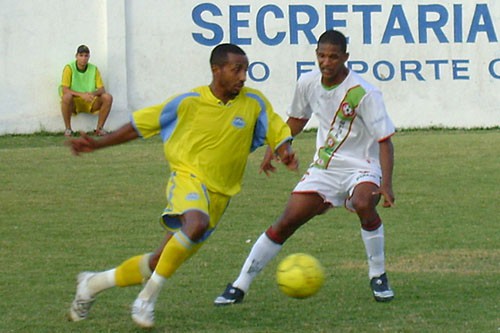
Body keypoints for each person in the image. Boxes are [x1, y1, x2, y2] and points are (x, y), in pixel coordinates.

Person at [66, 43, 298, 328]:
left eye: (245, 70)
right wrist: (98, 144)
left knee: (158, 261)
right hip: (188, 180)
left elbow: (276, 128)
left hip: (221, 196)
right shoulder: (188, 102)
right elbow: (139, 126)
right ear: (216, 70)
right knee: (195, 222)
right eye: (236, 69)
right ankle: (146, 299)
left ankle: (92, 284)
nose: (242, 76)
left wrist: (284, 149)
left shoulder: (254, 102)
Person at [214, 30, 396, 306]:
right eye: (322, 56)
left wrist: (387, 184)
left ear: (345, 57)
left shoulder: (365, 93)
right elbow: (297, 119)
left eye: (333, 56)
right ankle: (240, 285)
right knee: (286, 221)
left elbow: (385, 140)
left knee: (363, 203)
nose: (327, 62)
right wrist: (275, 148)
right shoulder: (308, 83)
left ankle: (378, 275)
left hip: (363, 166)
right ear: (316, 56)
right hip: (325, 166)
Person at [60, 45, 113, 137]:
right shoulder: (69, 68)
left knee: (107, 97)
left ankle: (99, 129)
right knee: (66, 97)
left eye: (86, 56)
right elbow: (64, 89)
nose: (83, 58)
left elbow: (101, 89)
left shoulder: (94, 69)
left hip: (90, 101)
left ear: (89, 57)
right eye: (81, 55)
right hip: (74, 102)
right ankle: (68, 129)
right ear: (76, 56)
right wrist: (81, 95)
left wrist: (91, 94)